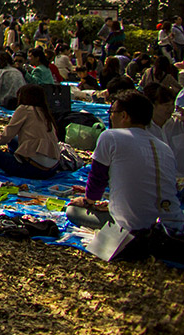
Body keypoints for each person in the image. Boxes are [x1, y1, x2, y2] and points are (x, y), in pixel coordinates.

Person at [67, 90, 184, 235]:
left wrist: (87, 202)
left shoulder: (110, 137)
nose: (110, 116)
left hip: (134, 227)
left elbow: (97, 180)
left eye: (112, 111)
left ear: (124, 116)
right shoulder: (164, 148)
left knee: (72, 211)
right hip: (174, 225)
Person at [0, 84, 61, 179]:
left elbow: (5, 138)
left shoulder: (24, 109)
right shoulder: (45, 112)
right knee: (14, 140)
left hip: (34, 169)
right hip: (52, 168)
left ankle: (17, 161)